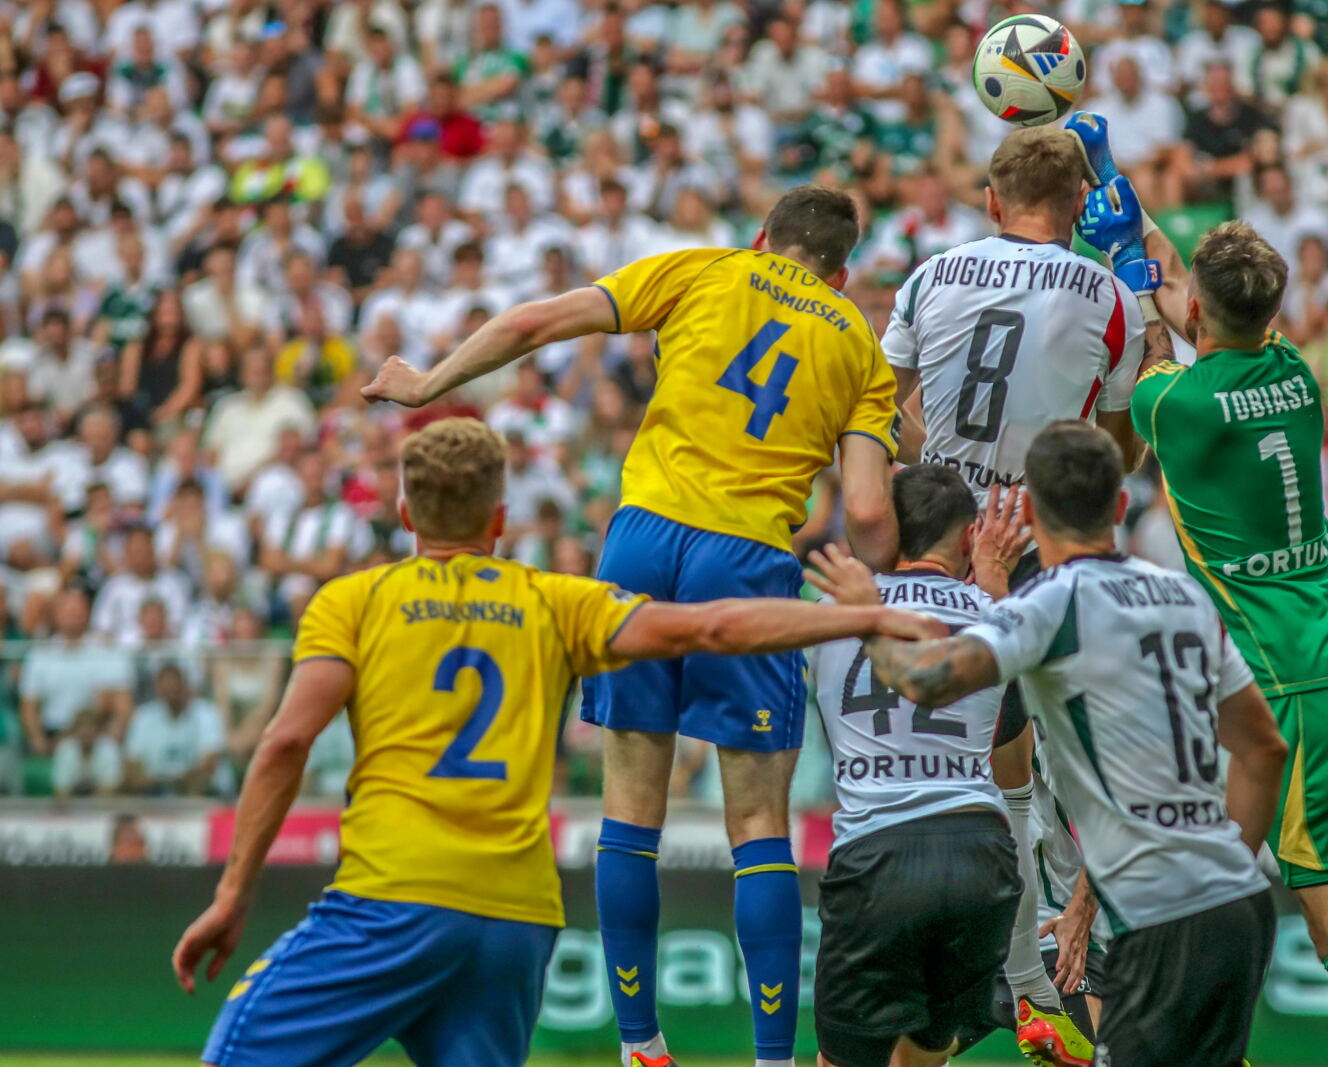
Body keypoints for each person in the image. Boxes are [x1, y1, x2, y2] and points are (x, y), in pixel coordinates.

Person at [171, 418, 933, 1067]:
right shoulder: (552, 602)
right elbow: (718, 625)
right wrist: (861, 616)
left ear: (405, 512)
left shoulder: (354, 602)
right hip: (514, 923)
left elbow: (284, 742)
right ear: (499, 517)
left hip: (391, 898)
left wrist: (234, 892)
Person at [360, 185, 901, 1067]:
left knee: (630, 807)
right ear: (843, 271)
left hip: (640, 543)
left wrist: (428, 383)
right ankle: (772, 1059)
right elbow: (872, 515)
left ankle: (641, 1044)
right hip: (751, 560)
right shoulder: (857, 346)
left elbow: (540, 320)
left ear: (761, 235)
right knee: (759, 820)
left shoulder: (704, 269)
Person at [1082, 190, 1328, 1065]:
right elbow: (1196, 297)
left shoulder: (1178, 408)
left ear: (1198, 315)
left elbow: (1155, 347)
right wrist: (1132, 207)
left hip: (1300, 686)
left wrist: (1133, 281)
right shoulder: (1293, 368)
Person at [810, 421, 1287, 1066]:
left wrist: (867, 614)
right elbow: (1264, 750)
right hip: (1238, 901)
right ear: (1120, 506)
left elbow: (926, 679)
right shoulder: (1185, 598)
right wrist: (1229, 863)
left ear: (1029, 511)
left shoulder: (1046, 605)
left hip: (1155, 904)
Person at [879, 120, 1157, 1067]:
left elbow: (881, 406)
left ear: (993, 201)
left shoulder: (928, 275)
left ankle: (1017, 978)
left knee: (964, 770)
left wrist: (941, 455)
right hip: (1044, 539)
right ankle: (1048, 974)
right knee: (1052, 767)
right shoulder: (1113, 298)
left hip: (940, 541)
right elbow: (1117, 455)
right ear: (1080, 204)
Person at [805, 465, 1028, 1067]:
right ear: (967, 538)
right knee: (929, 1054)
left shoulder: (831, 607)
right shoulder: (998, 611)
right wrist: (995, 583)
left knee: (844, 1060)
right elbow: (1018, 715)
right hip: (979, 849)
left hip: (876, 853)